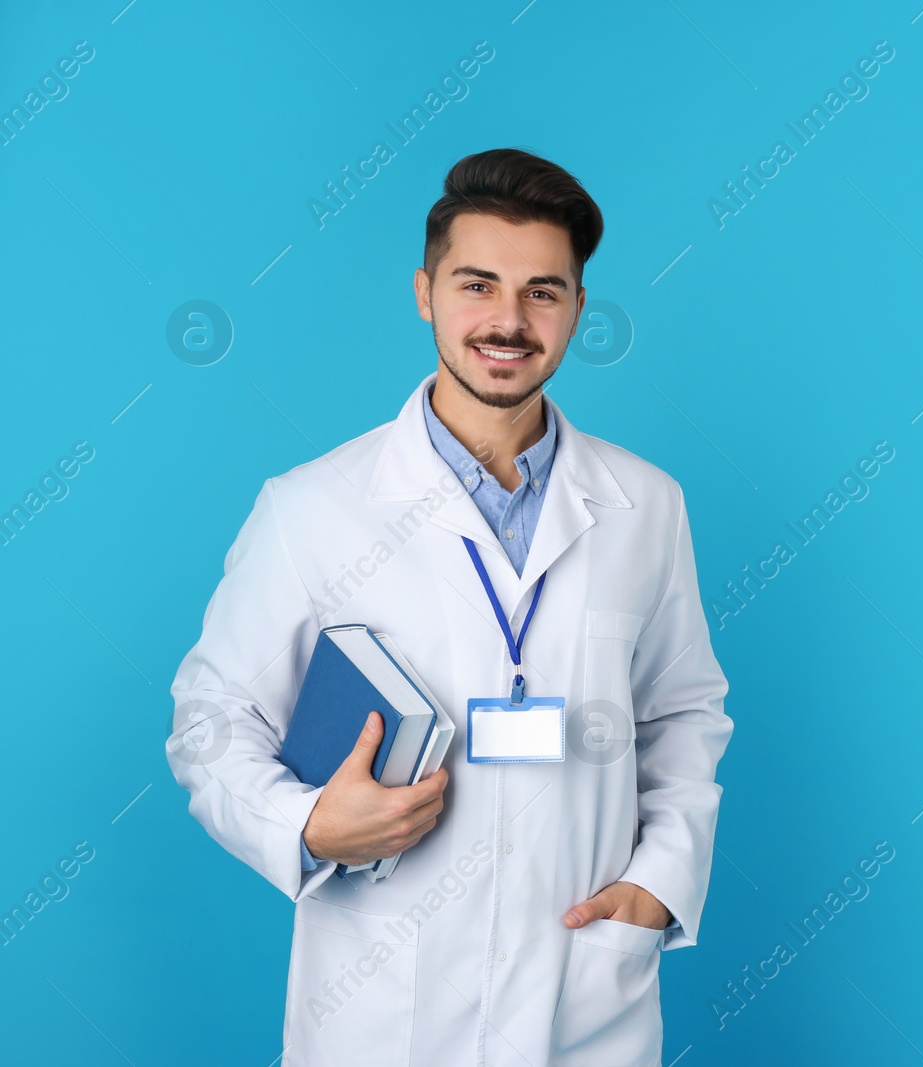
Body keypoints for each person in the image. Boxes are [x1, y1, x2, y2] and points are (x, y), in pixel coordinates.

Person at [166, 148, 733, 1066]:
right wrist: (304, 827)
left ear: (579, 309)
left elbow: (682, 711)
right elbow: (210, 720)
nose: (508, 321)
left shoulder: (646, 506)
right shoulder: (310, 507)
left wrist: (660, 881)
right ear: (426, 292)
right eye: (479, 284)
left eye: (543, 292)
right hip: (381, 1008)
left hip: (584, 999)